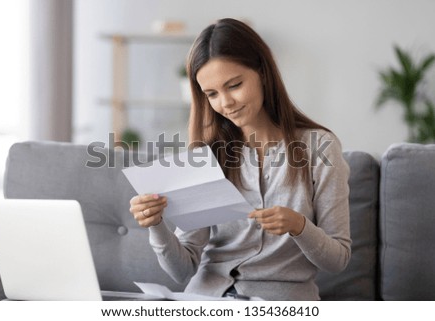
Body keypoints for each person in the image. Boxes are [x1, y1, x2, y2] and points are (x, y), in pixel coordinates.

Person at [130, 18, 351, 300]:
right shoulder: (207, 155)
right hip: (207, 299)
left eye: (234, 85)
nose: (225, 103)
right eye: (212, 94)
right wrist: (156, 225)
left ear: (262, 73)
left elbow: (338, 259)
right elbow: (182, 270)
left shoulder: (320, 146)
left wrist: (299, 226)